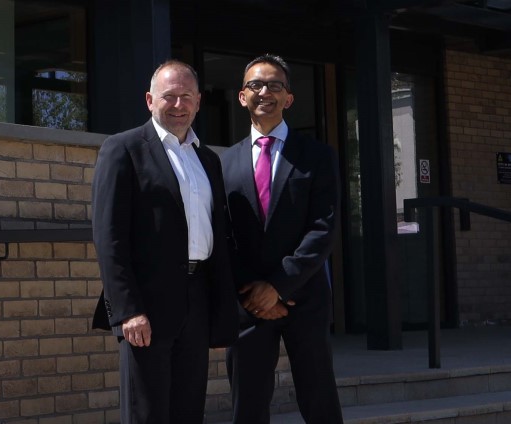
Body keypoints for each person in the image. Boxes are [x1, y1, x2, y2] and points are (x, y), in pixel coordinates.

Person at [91, 60, 238, 424]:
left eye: (185, 96)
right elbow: (109, 237)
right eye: (168, 96)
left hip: (198, 299)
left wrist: (221, 310)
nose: (177, 105)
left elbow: (218, 235)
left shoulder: (208, 160)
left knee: (189, 411)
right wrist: (127, 310)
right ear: (149, 100)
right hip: (148, 307)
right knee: (148, 413)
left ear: (199, 102)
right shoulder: (123, 149)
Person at [220, 54, 343, 423]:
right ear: (242, 97)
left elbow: (323, 228)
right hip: (248, 303)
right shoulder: (224, 163)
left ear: (289, 98)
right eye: (256, 85)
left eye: (275, 85)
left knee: (318, 397)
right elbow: (223, 235)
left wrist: (278, 286)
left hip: (304, 296)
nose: (265, 92)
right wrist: (254, 290)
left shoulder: (317, 156)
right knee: (249, 403)